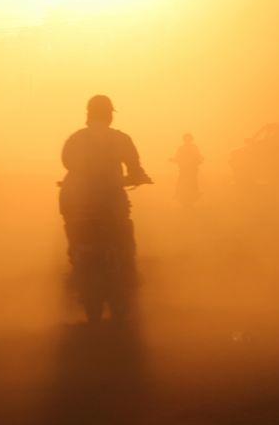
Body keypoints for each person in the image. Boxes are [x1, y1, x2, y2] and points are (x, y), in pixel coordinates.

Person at [59, 95, 152, 320]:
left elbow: (67, 163)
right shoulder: (119, 139)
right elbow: (135, 168)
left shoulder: (76, 138)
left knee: (75, 232)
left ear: (89, 115)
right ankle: (128, 272)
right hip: (110, 201)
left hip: (76, 200)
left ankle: (76, 264)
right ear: (109, 115)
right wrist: (137, 177)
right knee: (123, 236)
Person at [170, 133, 203, 206]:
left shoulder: (194, 148)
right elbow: (177, 157)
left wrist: (199, 160)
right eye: (186, 139)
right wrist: (173, 160)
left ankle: (196, 192)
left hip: (192, 169)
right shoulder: (181, 148)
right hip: (184, 169)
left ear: (191, 140)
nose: (187, 141)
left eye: (188, 139)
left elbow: (198, 156)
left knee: (193, 181)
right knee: (181, 181)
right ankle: (177, 193)